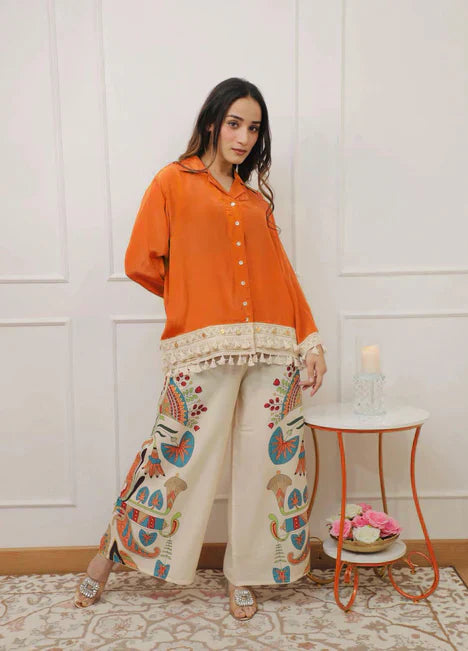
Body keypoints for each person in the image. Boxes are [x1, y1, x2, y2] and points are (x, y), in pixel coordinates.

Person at [73, 77, 327, 621]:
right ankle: (110, 553)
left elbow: (283, 276)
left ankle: (247, 573)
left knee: (268, 463)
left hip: (272, 349)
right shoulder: (172, 182)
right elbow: (141, 260)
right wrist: (197, 299)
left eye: (253, 128)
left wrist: (310, 341)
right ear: (212, 122)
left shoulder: (255, 202)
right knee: (173, 458)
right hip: (202, 350)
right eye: (234, 123)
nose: (243, 137)